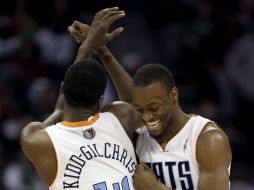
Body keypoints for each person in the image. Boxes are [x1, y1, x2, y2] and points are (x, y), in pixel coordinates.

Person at [68, 18, 232, 190]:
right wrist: (100, 48)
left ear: (174, 96)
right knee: (117, 109)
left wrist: (154, 188)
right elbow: (133, 101)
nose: (147, 117)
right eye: (141, 110)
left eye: (154, 108)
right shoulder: (144, 131)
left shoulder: (207, 139)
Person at [20, 7, 141, 190]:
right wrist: (101, 49)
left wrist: (86, 48)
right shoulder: (119, 117)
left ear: (62, 90)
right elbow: (138, 103)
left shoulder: (37, 139)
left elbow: (59, 112)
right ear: (101, 100)